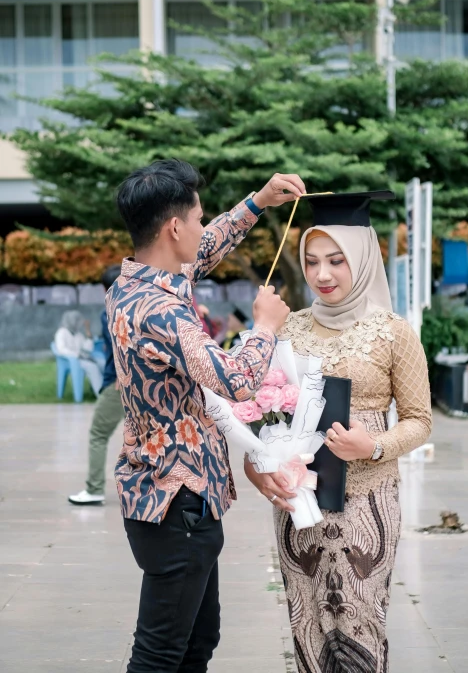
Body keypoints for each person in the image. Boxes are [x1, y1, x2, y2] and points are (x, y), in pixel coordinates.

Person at [106, 159, 305, 673]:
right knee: (161, 654)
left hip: (169, 496)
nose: (202, 225)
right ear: (174, 228)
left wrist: (257, 202)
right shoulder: (162, 310)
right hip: (178, 502)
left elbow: (206, 247)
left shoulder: (134, 284)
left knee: (197, 641)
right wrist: (264, 326)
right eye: (197, 217)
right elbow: (237, 379)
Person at [245, 191, 432, 673]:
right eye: (311, 261)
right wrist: (257, 465)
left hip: (367, 506)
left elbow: (420, 419)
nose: (322, 275)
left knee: (361, 623)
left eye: (336, 261)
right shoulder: (289, 328)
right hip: (299, 505)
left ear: (364, 258)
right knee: (306, 623)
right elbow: (262, 411)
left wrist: (373, 446)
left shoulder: (395, 332)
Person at [68, 265, 124, 506]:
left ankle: (94, 489)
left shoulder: (111, 311)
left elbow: (122, 345)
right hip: (145, 383)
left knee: (98, 435)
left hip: (119, 384)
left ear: (105, 289)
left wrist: (122, 377)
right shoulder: (141, 306)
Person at [54, 310, 103, 397]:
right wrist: (76, 354)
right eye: (76, 321)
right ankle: (101, 393)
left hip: (83, 358)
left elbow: (87, 349)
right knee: (93, 367)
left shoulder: (78, 334)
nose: (78, 323)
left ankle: (109, 390)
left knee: (102, 363)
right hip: (72, 361)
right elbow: (61, 349)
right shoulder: (61, 332)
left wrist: (88, 331)